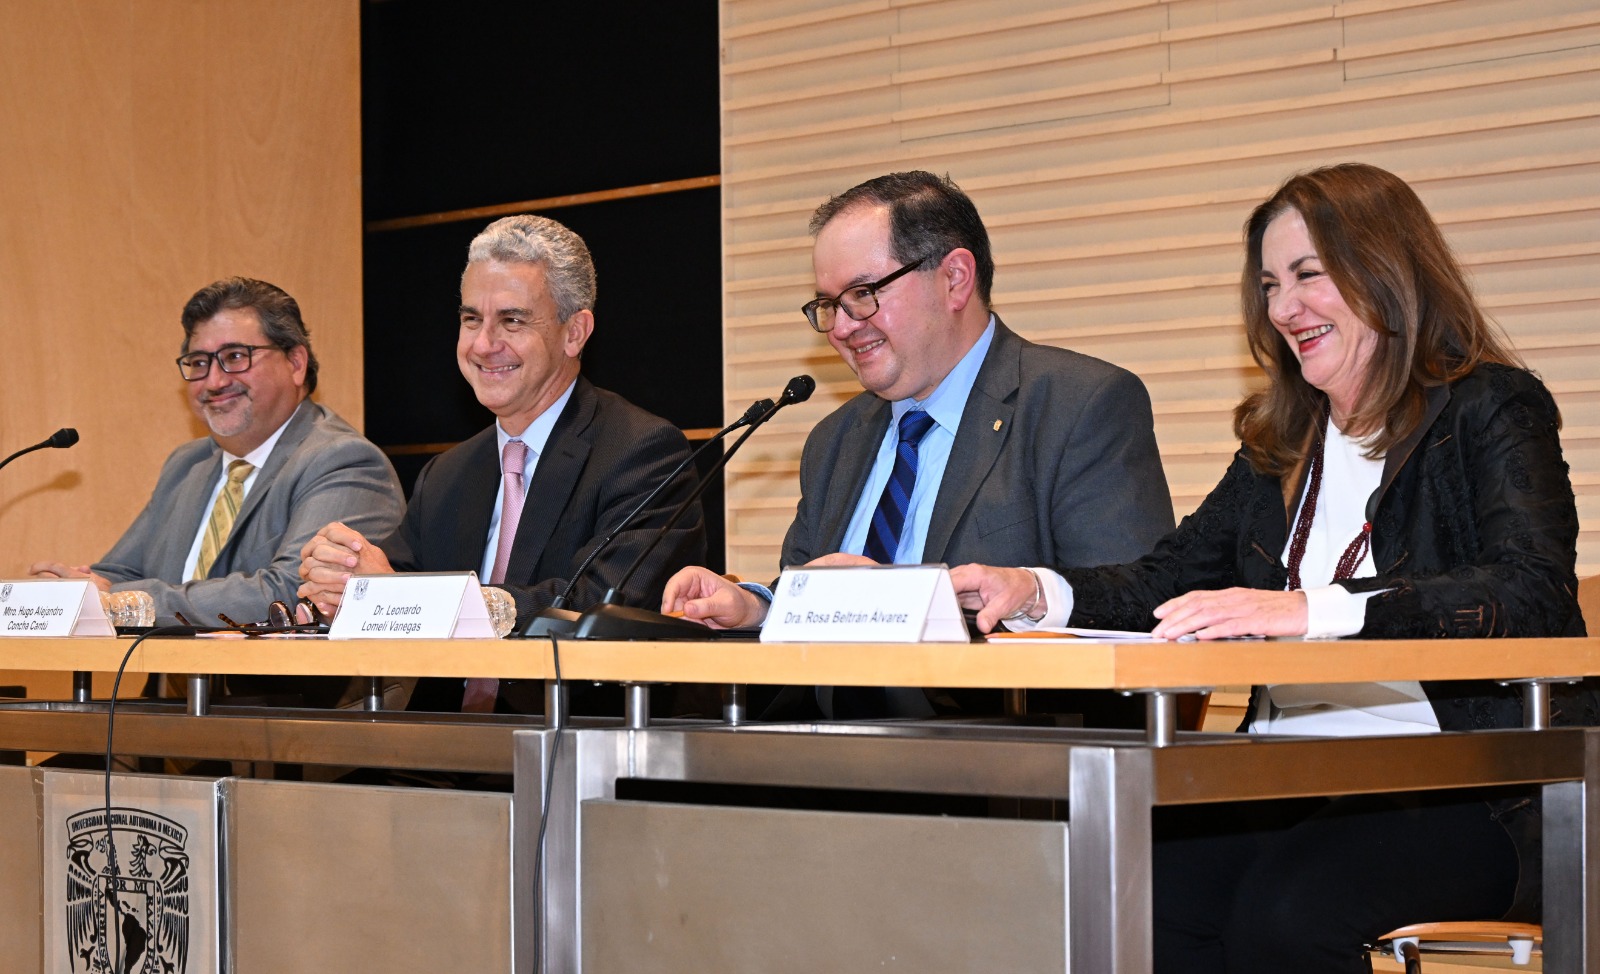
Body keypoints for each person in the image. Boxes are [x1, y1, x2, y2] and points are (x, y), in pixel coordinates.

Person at [953, 162, 1597, 971]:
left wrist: (1311, 609)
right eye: (1268, 285)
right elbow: (1165, 579)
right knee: (1134, 892)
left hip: (1471, 794)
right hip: (1288, 777)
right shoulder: (1280, 442)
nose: (1284, 308)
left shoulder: (1490, 406)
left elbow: (1528, 589)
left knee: (1286, 916)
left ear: (1385, 272)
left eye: (1307, 275)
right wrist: (1031, 589)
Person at [661, 170, 1174, 718]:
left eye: (862, 293)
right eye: (828, 304)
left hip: (1002, 762)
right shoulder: (835, 440)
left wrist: (893, 600)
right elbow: (811, 602)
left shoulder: (1078, 406)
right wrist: (755, 608)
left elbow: (1133, 609)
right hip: (816, 757)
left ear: (954, 278)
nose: (840, 327)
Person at [298, 214, 705, 714]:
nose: (484, 344)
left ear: (574, 333)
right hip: (437, 748)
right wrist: (341, 580)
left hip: (571, 745)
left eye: (512, 320)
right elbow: (389, 584)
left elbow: (598, 607)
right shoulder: (448, 473)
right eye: (472, 319)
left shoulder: (642, 451)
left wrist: (397, 595)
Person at [30, 276, 405, 704]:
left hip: (290, 727)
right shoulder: (188, 464)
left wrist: (115, 600)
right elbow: (123, 574)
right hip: (169, 718)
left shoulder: (343, 459)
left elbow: (288, 595)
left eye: (234, 357)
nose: (213, 381)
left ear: (296, 363)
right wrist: (68, 591)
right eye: (198, 362)